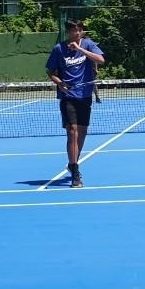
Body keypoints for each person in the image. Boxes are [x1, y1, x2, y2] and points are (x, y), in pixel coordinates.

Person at [45, 19, 105, 188]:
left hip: (85, 95)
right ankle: (76, 173)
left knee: (82, 132)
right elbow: (51, 72)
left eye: (79, 30)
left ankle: (72, 163)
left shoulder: (88, 44)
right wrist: (60, 83)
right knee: (72, 133)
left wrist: (80, 49)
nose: (76, 33)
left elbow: (100, 60)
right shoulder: (59, 49)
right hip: (68, 96)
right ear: (68, 32)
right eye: (73, 31)